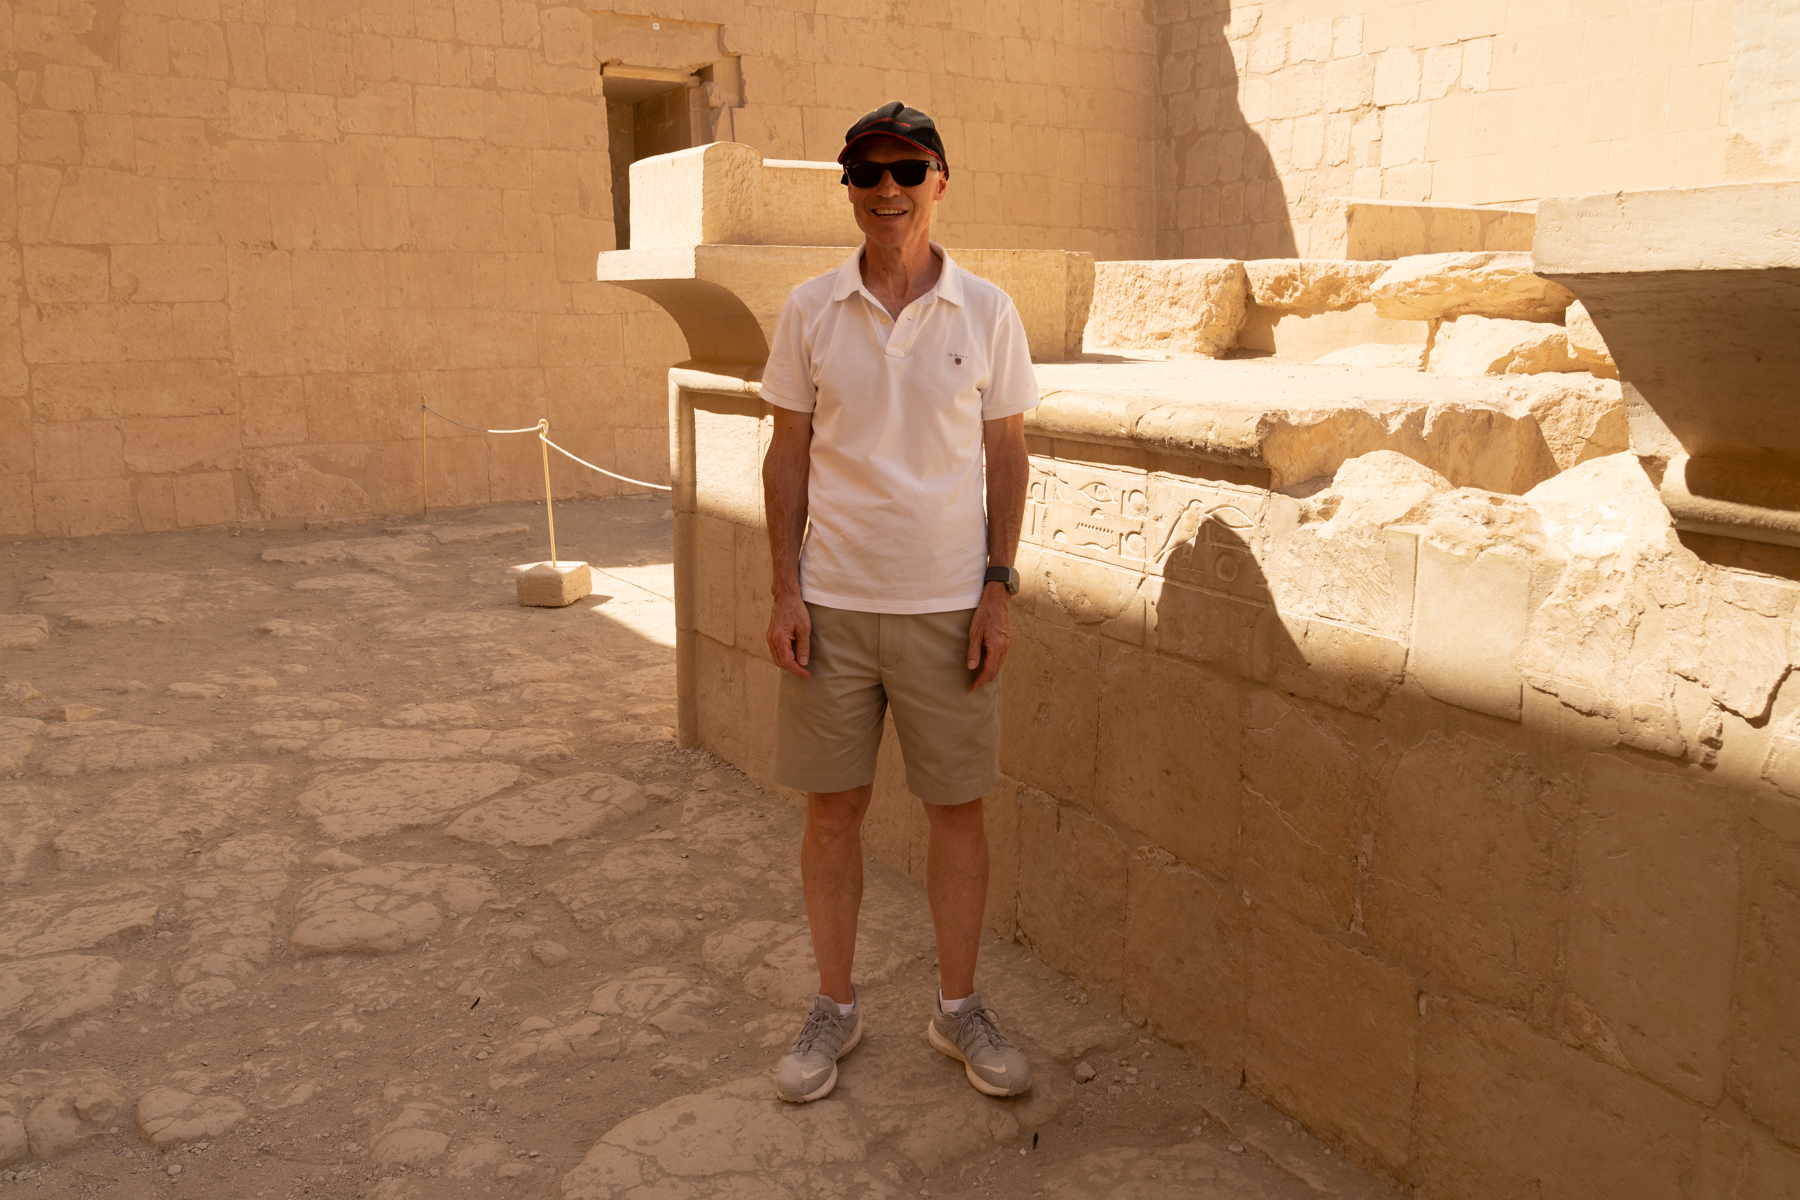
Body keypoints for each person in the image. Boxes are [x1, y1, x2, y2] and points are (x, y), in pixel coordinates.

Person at [758, 101, 1039, 1104]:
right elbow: (787, 451)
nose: (888, 190)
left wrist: (997, 590)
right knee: (833, 815)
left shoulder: (988, 312)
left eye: (907, 171)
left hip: (947, 608)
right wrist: (786, 588)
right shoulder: (808, 311)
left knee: (955, 815)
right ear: (849, 188)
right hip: (831, 606)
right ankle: (834, 1007)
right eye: (868, 172)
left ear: (939, 182)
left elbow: (1006, 453)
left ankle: (956, 1009)